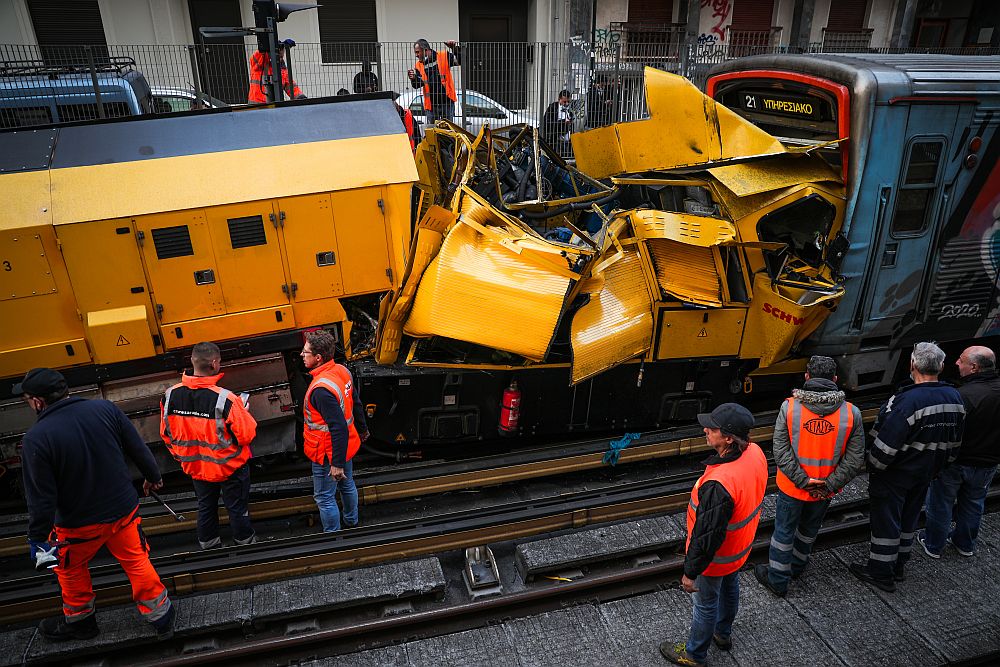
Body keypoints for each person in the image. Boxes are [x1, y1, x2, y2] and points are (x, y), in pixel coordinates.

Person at [17, 368, 174, 641]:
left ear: (38, 402)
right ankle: (161, 616)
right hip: (122, 511)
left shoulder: (36, 439)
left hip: (78, 525)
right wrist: (153, 478)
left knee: (70, 569)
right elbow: (137, 447)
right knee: (137, 559)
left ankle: (81, 623)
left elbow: (41, 498)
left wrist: (37, 538)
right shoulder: (105, 409)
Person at [849, 342, 965, 592]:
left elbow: (884, 448)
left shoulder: (905, 402)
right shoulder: (954, 397)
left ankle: (881, 572)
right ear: (941, 366)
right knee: (908, 519)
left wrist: (874, 468)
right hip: (926, 472)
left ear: (912, 364)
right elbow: (955, 443)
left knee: (886, 523)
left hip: (896, 475)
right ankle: (899, 565)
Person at [660, 403, 767, 667]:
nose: (706, 429)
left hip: (715, 557)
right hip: (739, 547)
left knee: (705, 603)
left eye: (713, 428)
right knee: (730, 587)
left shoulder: (720, 484)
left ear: (729, 438)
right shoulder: (754, 452)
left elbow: (706, 535)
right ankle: (723, 633)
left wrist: (690, 571)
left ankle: (695, 654)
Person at [754, 356, 864, 597]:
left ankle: (778, 580)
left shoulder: (790, 408)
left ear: (806, 376)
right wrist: (828, 484)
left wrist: (803, 481)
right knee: (808, 530)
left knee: (783, 532)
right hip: (824, 491)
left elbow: (780, 451)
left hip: (792, 488)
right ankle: (797, 566)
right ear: (835, 380)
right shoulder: (851, 413)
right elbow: (855, 460)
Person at [160, 341, 258, 550]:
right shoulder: (226, 399)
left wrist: (182, 458)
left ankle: (209, 547)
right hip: (229, 468)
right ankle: (246, 547)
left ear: (192, 362)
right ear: (214, 363)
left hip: (196, 469)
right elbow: (246, 435)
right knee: (237, 509)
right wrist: (245, 412)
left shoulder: (170, 396)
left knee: (206, 507)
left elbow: (166, 434)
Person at [919, 345, 1000, 558]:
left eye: (961, 360)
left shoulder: (961, 396)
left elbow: (947, 431)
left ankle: (934, 545)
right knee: (974, 503)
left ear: (973, 367)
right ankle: (965, 544)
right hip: (988, 462)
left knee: (940, 503)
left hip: (957, 461)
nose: (956, 363)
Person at [300, 330, 369, 532]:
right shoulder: (341, 370)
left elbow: (337, 427)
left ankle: (333, 537)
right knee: (347, 485)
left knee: (324, 496)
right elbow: (356, 403)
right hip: (344, 446)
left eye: (306, 352)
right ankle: (351, 521)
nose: (302, 355)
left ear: (318, 357)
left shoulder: (321, 390)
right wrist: (363, 429)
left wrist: (336, 464)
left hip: (327, 452)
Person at [408, 38, 460, 124]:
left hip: (446, 102)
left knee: (447, 132)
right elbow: (417, 85)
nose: (416, 55)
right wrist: (413, 78)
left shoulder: (443, 56)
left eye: (417, 52)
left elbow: (460, 61)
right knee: (432, 132)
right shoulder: (418, 65)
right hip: (431, 105)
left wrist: (454, 48)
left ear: (425, 50)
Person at [248, 39, 305, 103]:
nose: (280, 58)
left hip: (274, 105)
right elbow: (259, 55)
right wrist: (268, 47)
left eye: (281, 56)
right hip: (257, 105)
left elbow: (290, 86)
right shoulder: (260, 62)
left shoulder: (281, 68)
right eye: (278, 54)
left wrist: (301, 97)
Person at [542, 89, 574, 159]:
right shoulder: (552, 108)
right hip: (553, 136)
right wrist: (563, 122)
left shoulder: (570, 109)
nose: (567, 104)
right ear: (559, 99)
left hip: (566, 136)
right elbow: (548, 123)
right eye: (564, 102)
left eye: (568, 101)